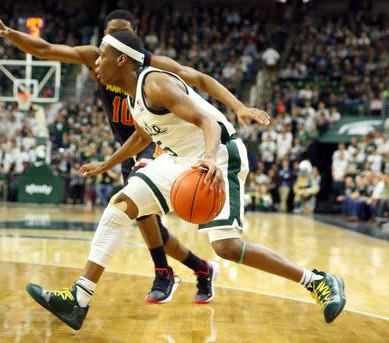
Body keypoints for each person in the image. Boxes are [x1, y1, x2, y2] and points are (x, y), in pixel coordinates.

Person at [22, 31, 345, 330]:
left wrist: (208, 156)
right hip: (177, 160)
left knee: (226, 247)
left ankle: (317, 281)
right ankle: (79, 298)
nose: (95, 62)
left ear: (121, 59)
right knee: (121, 205)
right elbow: (142, 135)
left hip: (217, 154)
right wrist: (106, 163)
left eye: (101, 55)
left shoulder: (154, 83)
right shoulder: (133, 95)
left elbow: (208, 121)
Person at [0, 10, 268, 304]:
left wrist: (238, 106)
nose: (111, 41)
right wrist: (8, 33)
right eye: (109, 34)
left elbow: (201, 79)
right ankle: (200, 268)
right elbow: (45, 48)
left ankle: (161, 272)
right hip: (131, 141)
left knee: (136, 205)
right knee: (145, 219)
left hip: (159, 141)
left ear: (128, 45)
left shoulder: (153, 69)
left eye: (120, 33)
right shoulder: (97, 57)